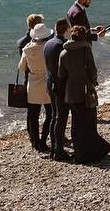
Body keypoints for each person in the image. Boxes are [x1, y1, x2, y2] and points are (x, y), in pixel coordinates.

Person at [57, 25, 110, 163]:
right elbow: (92, 70)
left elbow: (61, 74)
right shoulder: (86, 50)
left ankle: (79, 154)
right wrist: (93, 82)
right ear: (83, 37)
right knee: (89, 121)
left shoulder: (64, 53)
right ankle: (93, 152)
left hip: (71, 92)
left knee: (76, 123)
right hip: (85, 90)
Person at [16, 22, 52, 152]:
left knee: (33, 116)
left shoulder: (27, 49)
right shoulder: (48, 47)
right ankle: (43, 141)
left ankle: (35, 143)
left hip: (33, 84)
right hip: (47, 83)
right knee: (50, 114)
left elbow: (21, 67)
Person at [42, 18, 69, 159]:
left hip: (49, 83)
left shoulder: (48, 43)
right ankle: (59, 150)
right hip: (59, 86)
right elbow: (65, 68)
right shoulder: (62, 45)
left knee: (53, 116)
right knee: (61, 118)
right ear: (66, 30)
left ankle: (53, 148)